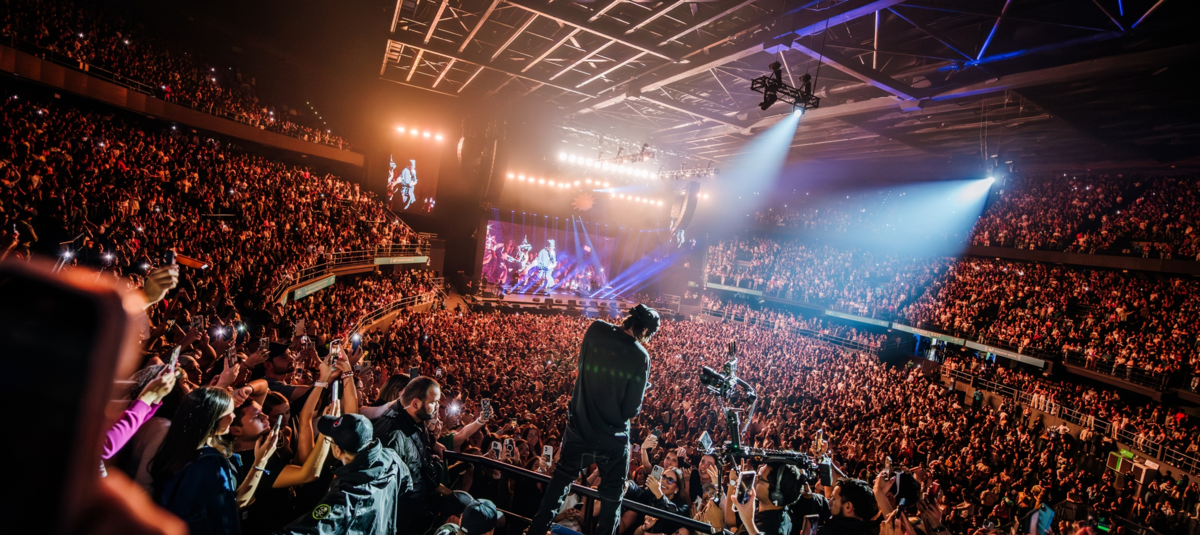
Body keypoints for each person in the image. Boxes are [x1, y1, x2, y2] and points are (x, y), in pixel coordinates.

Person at [528, 304, 661, 535]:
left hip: (579, 431)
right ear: (645, 331)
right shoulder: (641, 356)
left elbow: (582, 367)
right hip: (612, 441)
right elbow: (631, 410)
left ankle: (535, 531)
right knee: (611, 500)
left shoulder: (596, 329)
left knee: (559, 485)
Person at [150, 387, 279, 535]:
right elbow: (228, 508)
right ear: (211, 418)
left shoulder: (179, 447)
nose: (232, 417)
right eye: (228, 413)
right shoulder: (208, 462)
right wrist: (261, 461)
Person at [276, 413, 408, 535]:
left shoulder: (346, 495)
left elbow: (309, 530)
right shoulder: (392, 457)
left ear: (338, 451)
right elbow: (407, 486)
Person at [374, 376, 444, 535]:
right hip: (399, 522)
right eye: (433, 402)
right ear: (415, 403)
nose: (436, 407)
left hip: (415, 513)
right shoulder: (392, 435)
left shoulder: (416, 420)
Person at [732, 463, 804, 535]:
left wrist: (748, 523)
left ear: (776, 495)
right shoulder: (785, 515)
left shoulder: (764, 528)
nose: (755, 479)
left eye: (760, 478)